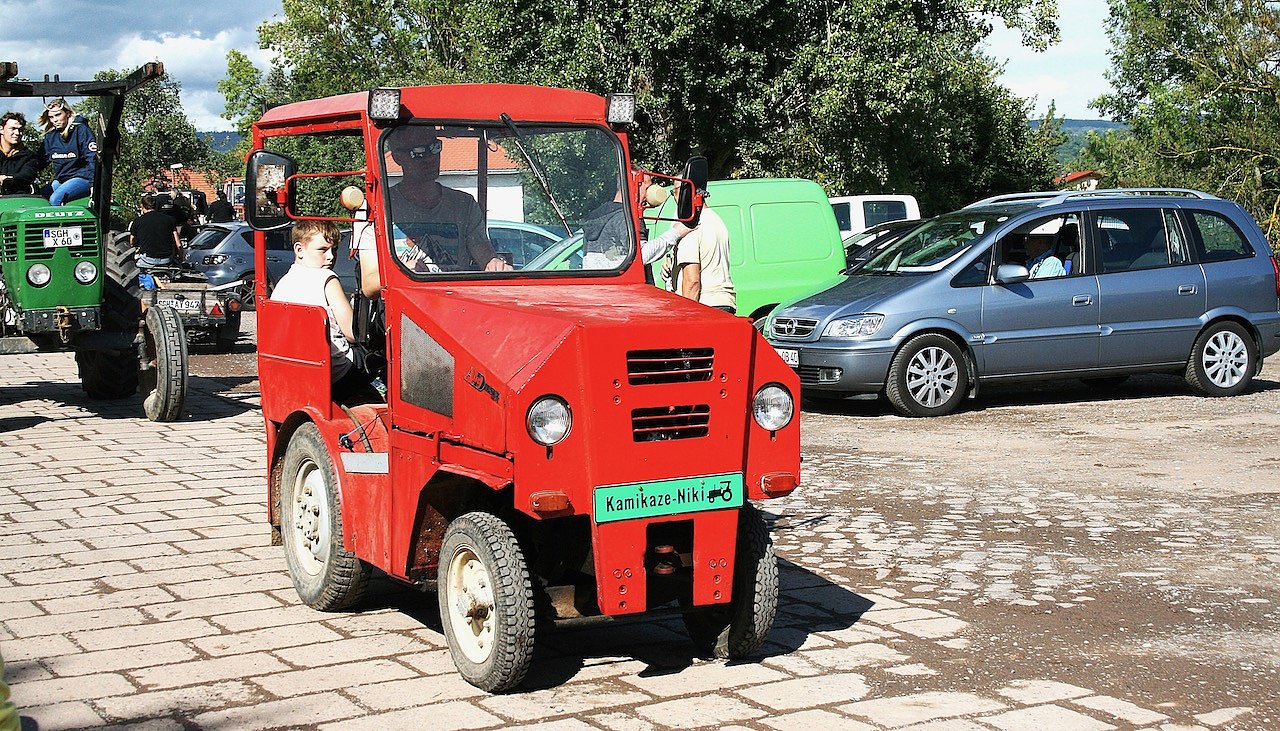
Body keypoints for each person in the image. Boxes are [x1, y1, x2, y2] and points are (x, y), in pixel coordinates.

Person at [359, 128, 510, 297]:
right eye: (418, 152)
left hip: (456, 304)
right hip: (404, 305)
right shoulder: (377, 208)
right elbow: (369, 284)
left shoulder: (463, 204)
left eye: (435, 147)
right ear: (397, 157)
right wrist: (403, 272)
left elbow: (484, 254)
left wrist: (496, 264)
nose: (430, 158)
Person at [271, 220, 379, 401]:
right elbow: (353, 333)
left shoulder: (283, 283)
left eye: (334, 250)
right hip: (338, 372)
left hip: (301, 370)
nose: (330, 257)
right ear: (299, 250)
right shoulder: (326, 278)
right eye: (323, 250)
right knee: (381, 357)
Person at [666, 194, 736, 313]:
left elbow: (692, 281)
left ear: (685, 191)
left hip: (705, 303)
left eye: (674, 192)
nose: (675, 198)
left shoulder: (690, 226)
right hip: (724, 301)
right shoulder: (715, 219)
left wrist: (687, 316)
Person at [37, 98, 97, 206]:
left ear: (68, 114)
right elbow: (39, 162)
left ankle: (57, 218)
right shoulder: (51, 137)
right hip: (62, 179)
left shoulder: (80, 130)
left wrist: (94, 184)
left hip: (82, 177)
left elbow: (92, 158)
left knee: (55, 199)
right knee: (39, 197)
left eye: (58, 115)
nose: (55, 120)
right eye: (51, 117)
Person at [132, 193, 182, 268]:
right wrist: (181, 260)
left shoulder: (137, 221)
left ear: (142, 206)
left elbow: (132, 241)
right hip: (166, 260)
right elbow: (178, 244)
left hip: (147, 260)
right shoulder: (169, 220)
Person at [0, 111, 39, 194]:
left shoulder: (29, 156)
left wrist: (7, 180)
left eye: (20, 130)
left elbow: (27, 176)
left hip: (17, 197)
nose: (17, 133)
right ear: (1, 129)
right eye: (13, 129)